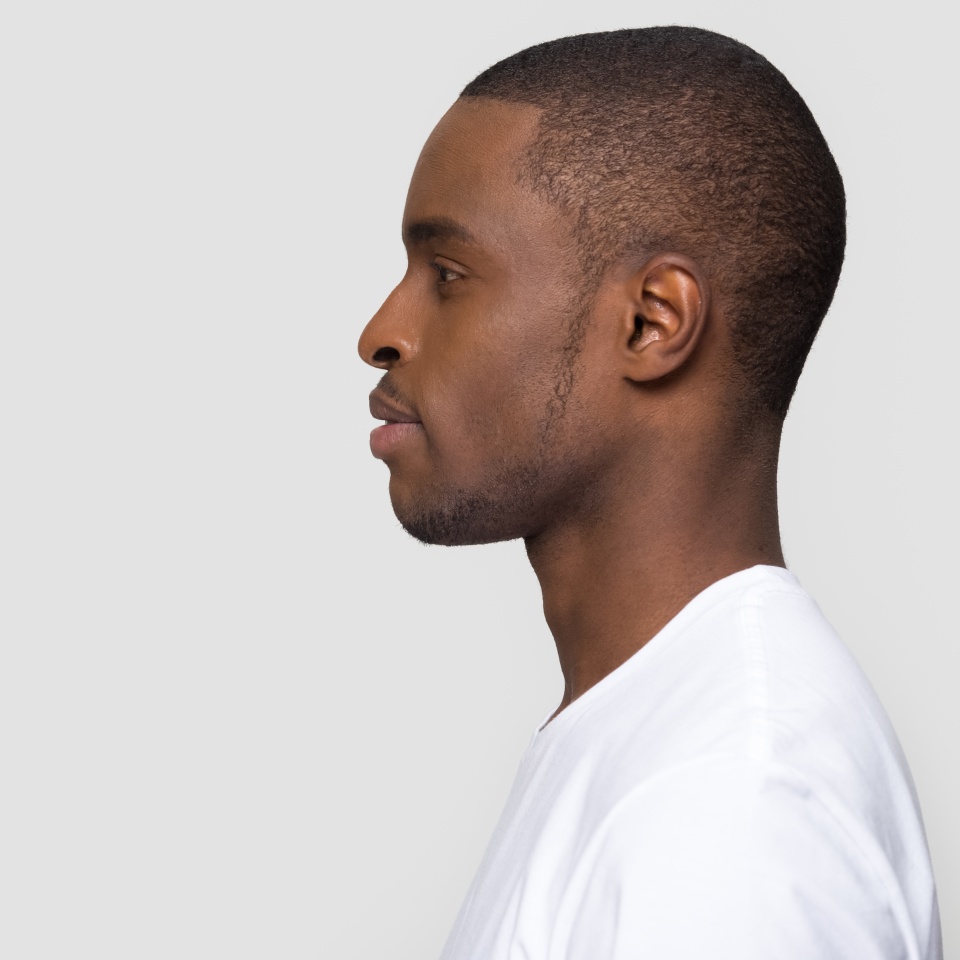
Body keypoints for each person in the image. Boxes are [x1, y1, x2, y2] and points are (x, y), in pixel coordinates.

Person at [358, 25, 942, 959]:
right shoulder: (659, 743)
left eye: (448, 275)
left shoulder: (727, 808)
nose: (381, 331)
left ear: (650, 323)